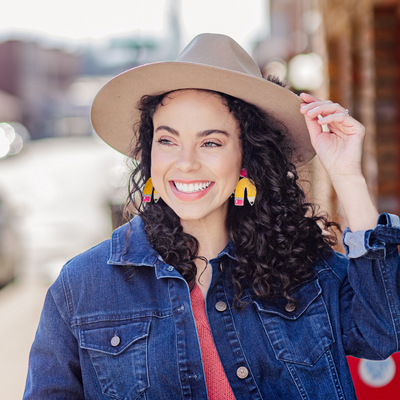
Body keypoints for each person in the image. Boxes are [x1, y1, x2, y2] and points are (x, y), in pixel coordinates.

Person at [23, 33, 400, 400]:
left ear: (246, 159)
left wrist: (347, 175)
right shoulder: (82, 288)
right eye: (167, 140)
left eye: (211, 142)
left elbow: (383, 332)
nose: (185, 163)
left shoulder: (308, 274)